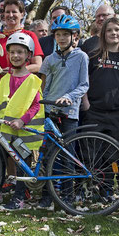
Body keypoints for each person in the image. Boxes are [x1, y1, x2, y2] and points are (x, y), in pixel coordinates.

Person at [0, 32, 44, 210]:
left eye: (20, 52)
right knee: (0, 160)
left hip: (24, 132)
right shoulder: (5, 79)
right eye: (12, 52)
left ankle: (20, 197)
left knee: (22, 167)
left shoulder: (33, 81)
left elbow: (36, 106)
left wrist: (23, 121)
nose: (16, 56)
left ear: (28, 55)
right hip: (5, 132)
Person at [37, 14, 89, 209]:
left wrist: (70, 96)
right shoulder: (50, 59)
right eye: (58, 34)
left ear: (74, 36)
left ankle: (67, 196)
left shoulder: (81, 57)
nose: (61, 38)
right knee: (49, 154)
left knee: (68, 155)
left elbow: (84, 85)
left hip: (70, 112)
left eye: (65, 34)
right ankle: (48, 195)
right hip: (50, 111)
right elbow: (44, 85)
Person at [81, 17, 119, 143]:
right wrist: (86, 103)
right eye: (109, 30)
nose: (113, 33)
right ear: (103, 34)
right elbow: (84, 81)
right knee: (91, 152)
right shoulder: (93, 56)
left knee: (114, 156)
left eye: (117, 30)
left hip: (116, 112)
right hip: (93, 111)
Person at [0, 0, 44, 90]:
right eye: (7, 12)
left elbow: (38, 66)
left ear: (22, 14)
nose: (10, 15)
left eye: (14, 12)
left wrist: (15, 71)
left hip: (22, 87)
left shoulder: (29, 36)